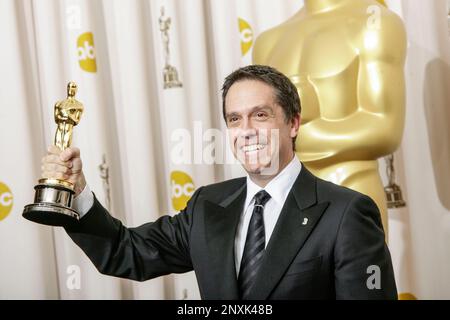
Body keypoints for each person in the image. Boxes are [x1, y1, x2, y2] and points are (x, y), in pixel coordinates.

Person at [41, 65, 397, 299]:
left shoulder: (346, 213)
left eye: (261, 115)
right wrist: (79, 192)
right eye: (234, 119)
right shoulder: (208, 206)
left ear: (293, 123)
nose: (247, 132)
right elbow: (125, 252)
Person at [253, 0, 407, 235]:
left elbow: (385, 128)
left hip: (349, 188)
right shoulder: (267, 42)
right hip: (284, 199)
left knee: (356, 271)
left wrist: (290, 135)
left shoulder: (375, 23)